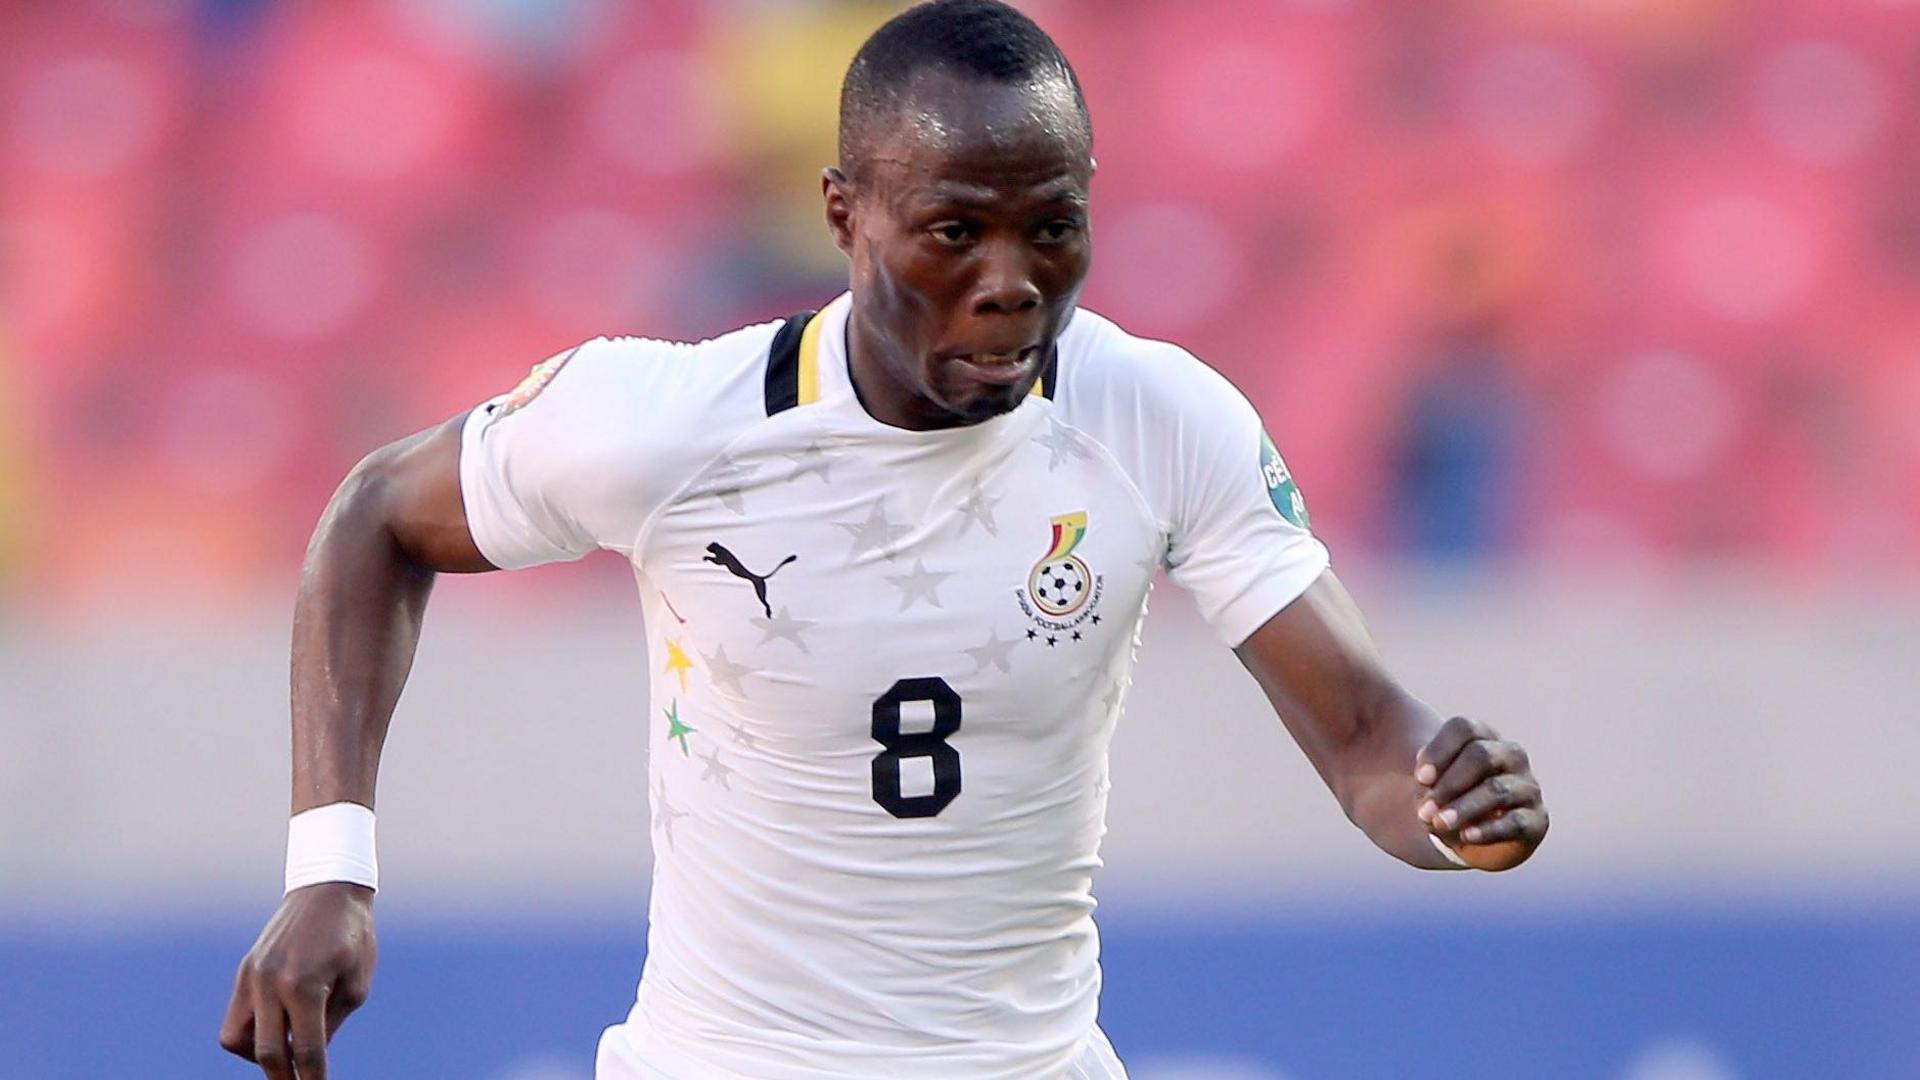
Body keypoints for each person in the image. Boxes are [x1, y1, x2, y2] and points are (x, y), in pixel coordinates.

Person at [219, 2, 1549, 1076]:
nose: (1013, 278)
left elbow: (1373, 744)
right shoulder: (673, 424)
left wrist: (1454, 805)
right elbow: (374, 519)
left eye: (1054, 225)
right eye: (956, 228)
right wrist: (329, 867)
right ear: (844, 213)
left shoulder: (1155, 419)